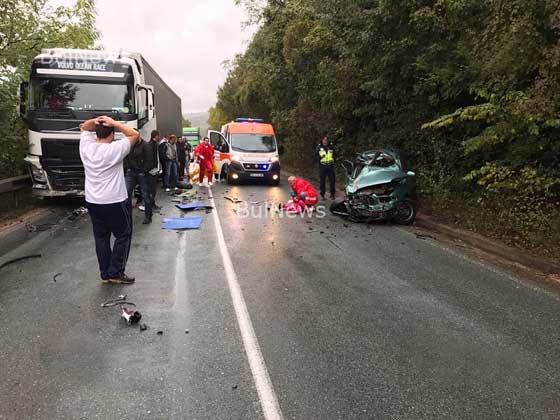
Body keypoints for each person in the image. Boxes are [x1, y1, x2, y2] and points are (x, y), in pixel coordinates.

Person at [79, 116, 139, 284]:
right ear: (112, 134)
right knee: (123, 234)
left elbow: (84, 128)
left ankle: (105, 273)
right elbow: (135, 135)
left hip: (92, 201)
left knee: (101, 237)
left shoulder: (86, 147)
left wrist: (94, 120)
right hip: (114, 200)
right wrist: (114, 123)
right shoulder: (115, 149)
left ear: (96, 133)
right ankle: (116, 271)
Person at [124, 134, 153, 224]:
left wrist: (144, 171)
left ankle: (148, 215)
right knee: (126, 195)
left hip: (141, 173)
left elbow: (149, 160)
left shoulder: (146, 146)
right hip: (131, 172)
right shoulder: (130, 145)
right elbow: (125, 157)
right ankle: (127, 217)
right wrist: (127, 168)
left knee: (145, 195)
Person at [314, 135, 336, 199]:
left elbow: (335, 155)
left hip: (330, 166)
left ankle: (332, 194)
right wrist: (320, 156)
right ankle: (322, 195)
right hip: (322, 166)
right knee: (322, 181)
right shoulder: (319, 147)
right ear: (322, 140)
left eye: (326, 140)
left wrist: (334, 157)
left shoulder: (331, 146)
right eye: (324, 140)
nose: (325, 141)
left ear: (328, 141)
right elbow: (315, 157)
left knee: (332, 181)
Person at [146, 130, 161, 211]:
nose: (159, 137)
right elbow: (150, 158)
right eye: (158, 135)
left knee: (153, 188)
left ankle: (152, 204)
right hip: (152, 170)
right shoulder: (151, 145)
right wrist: (152, 169)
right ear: (155, 136)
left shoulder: (155, 144)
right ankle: (150, 205)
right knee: (151, 188)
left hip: (155, 169)